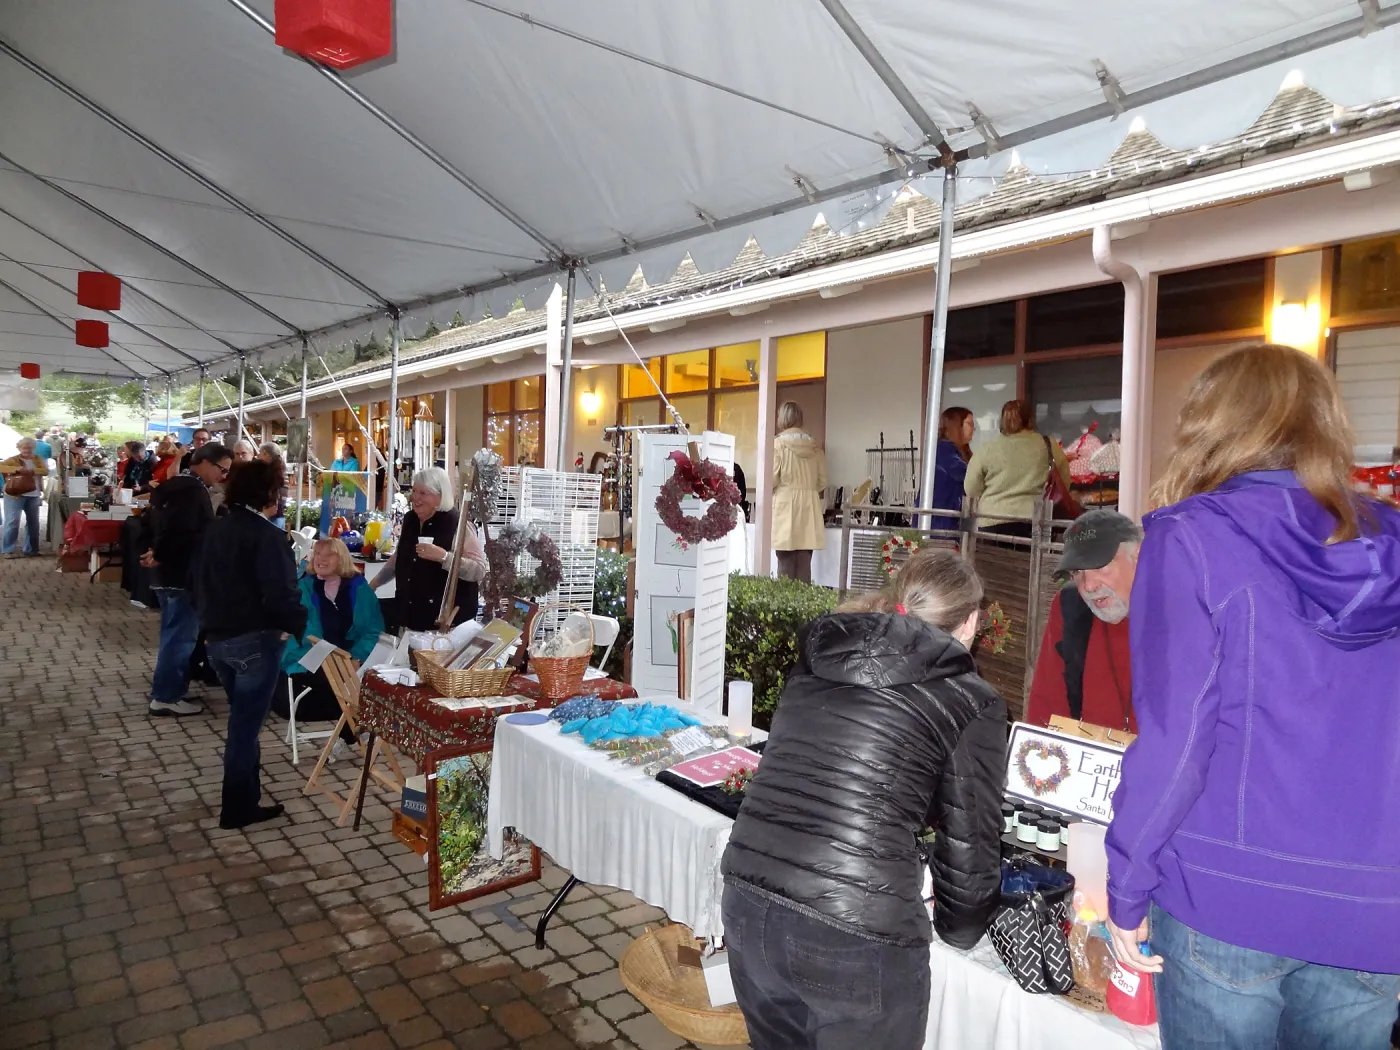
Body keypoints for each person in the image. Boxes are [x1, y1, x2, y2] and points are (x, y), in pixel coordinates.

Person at [1105, 344, 1400, 1049]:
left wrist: (1125, 886)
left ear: (1210, 423)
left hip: (1224, 902)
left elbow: (1178, 741)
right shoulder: (1391, 539)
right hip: (1371, 910)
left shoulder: (1192, 537)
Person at [722, 549, 1006, 1050]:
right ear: (970, 624)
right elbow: (970, 842)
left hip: (748, 900)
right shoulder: (971, 698)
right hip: (855, 933)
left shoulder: (821, 656)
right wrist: (961, 932)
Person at [195, 459, 307, 831]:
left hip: (219, 640)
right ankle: (238, 807)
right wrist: (292, 627)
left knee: (243, 724)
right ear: (269, 494)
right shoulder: (268, 537)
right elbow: (282, 593)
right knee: (244, 730)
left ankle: (246, 800)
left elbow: (198, 583)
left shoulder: (218, 529)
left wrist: (208, 629)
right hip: (254, 641)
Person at [140, 442, 233, 716]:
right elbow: (179, 531)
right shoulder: (191, 490)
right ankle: (166, 695)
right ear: (204, 462)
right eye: (222, 469)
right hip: (181, 574)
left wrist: (152, 551)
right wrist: (159, 553)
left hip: (169, 572)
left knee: (173, 634)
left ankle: (167, 687)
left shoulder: (176, 485)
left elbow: (153, 523)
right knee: (180, 638)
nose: (223, 476)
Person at [1026, 509, 1140, 732]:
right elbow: (1046, 705)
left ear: (1137, 555)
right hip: (1090, 761)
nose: (1089, 585)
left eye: (1099, 565)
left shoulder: (1178, 614)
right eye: (1077, 572)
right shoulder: (1072, 608)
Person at [275, 537, 384, 753]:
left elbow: (373, 629)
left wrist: (356, 657)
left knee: (378, 683)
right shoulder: (303, 587)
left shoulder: (358, 587)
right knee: (351, 686)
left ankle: (349, 730)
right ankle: (354, 729)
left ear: (342, 558)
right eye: (317, 554)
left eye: (329, 555)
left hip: (352, 656)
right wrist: (338, 660)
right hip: (308, 656)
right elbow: (305, 632)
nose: (320, 559)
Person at [370, 466, 487, 631]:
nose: (415, 497)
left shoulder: (459, 525)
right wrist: (374, 584)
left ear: (440, 496)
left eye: (423, 493)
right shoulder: (411, 520)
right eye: (414, 491)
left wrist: (444, 557)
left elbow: (478, 570)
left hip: (444, 624)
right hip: (410, 616)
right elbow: (400, 556)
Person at [964, 399, 1071, 536]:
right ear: (1030, 419)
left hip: (991, 521)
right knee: (1032, 558)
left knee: (991, 558)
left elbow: (971, 488)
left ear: (1002, 420)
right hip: (1035, 521)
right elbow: (1064, 480)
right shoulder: (1048, 444)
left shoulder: (987, 448)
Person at [771, 401, 827, 583]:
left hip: (785, 505)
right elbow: (822, 482)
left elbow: (771, 479)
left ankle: (785, 608)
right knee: (804, 562)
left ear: (782, 418)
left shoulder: (777, 444)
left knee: (785, 561)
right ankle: (804, 606)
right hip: (809, 506)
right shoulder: (815, 447)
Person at [1, 436, 49, 557]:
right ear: (19, 448)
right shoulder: (13, 459)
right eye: (24, 448)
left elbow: (45, 471)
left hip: (33, 494)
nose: (26, 450)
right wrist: (17, 469)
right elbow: (1, 466)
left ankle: (32, 549)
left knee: (33, 523)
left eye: (29, 448)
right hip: (15, 494)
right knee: (12, 522)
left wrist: (32, 471)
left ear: (33, 448)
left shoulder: (38, 459)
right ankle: (7, 550)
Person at [931, 405, 975, 517]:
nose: (973, 428)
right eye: (970, 424)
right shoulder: (943, 449)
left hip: (953, 517)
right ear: (956, 426)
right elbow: (966, 474)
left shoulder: (963, 452)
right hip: (940, 518)